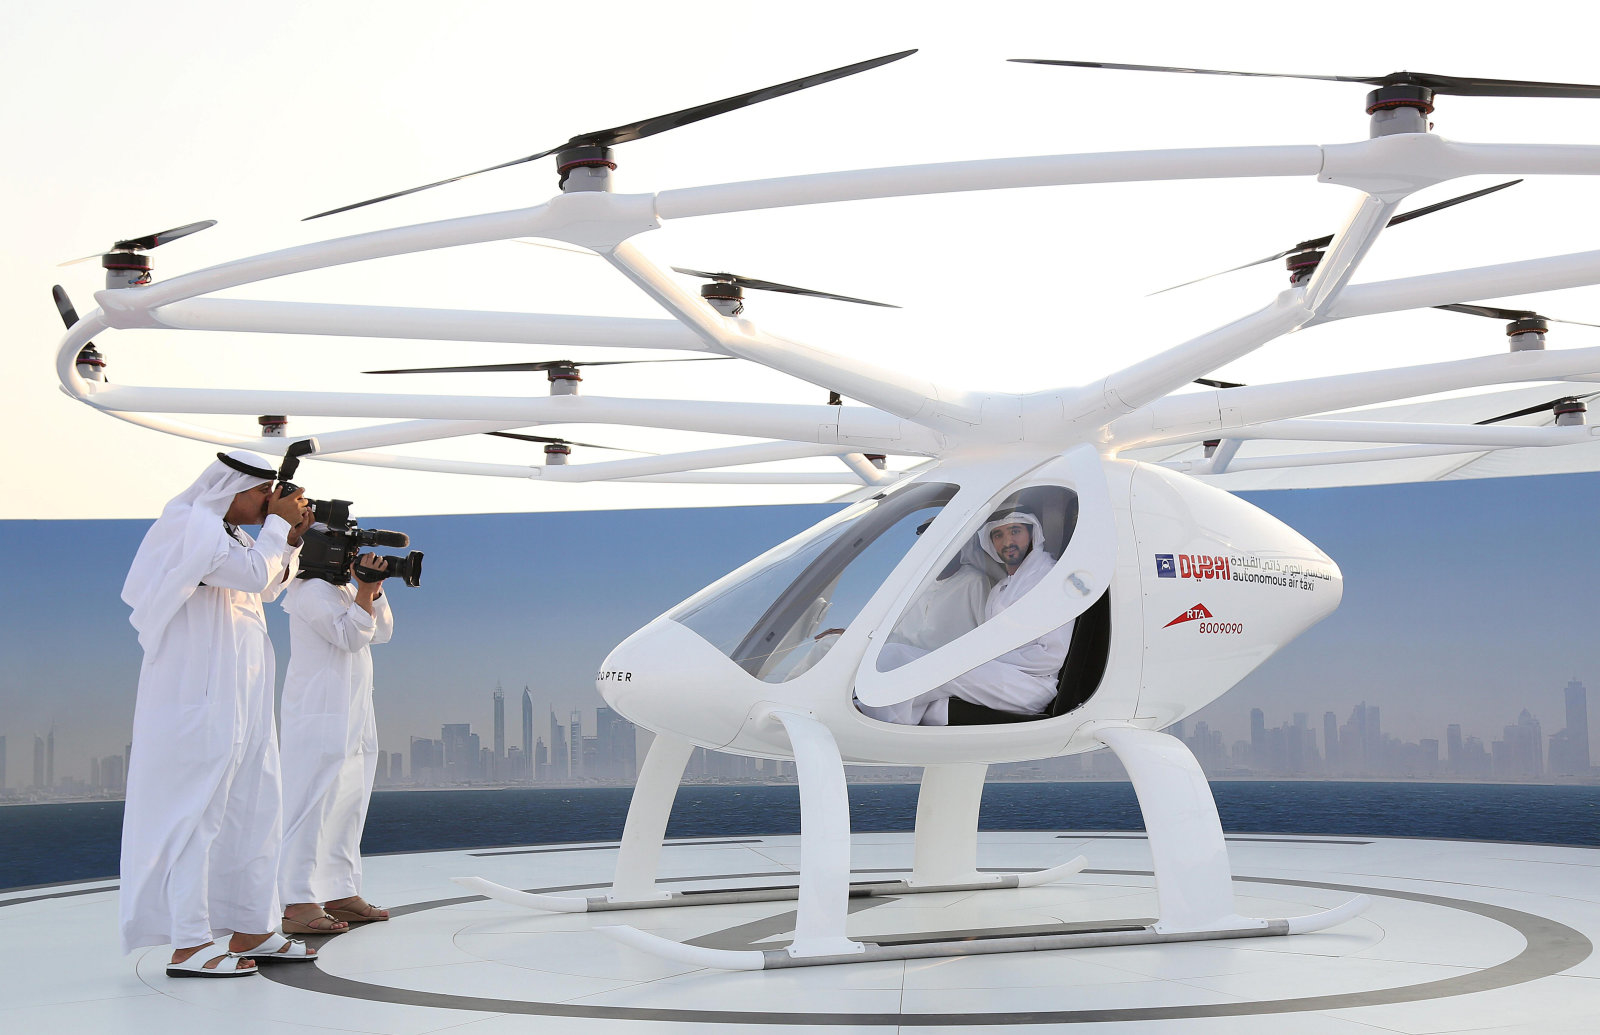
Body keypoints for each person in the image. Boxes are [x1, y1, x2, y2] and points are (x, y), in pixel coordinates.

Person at [119, 450, 318, 976]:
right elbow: (254, 576)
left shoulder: (227, 534)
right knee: (198, 810)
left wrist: (290, 538)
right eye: (261, 494)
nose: (268, 502)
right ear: (229, 488)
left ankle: (250, 927)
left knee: (256, 806)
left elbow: (269, 583)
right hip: (199, 693)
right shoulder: (189, 526)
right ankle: (188, 942)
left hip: (241, 691)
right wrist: (277, 525)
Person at [860, 510, 1072, 726]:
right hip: (999, 676)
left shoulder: (1051, 580)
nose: (1007, 541)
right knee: (904, 670)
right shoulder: (1001, 590)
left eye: (1015, 531)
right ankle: (880, 723)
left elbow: (1051, 657)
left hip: (1028, 687)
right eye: (998, 535)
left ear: (1032, 534)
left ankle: (871, 724)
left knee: (903, 660)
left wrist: (977, 660)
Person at [277, 551, 394, 934]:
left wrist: (370, 591)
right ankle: (297, 901)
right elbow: (350, 635)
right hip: (319, 715)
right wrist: (364, 593)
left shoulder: (344, 588)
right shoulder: (310, 590)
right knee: (310, 805)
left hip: (354, 713)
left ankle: (340, 892)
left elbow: (381, 632)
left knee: (348, 802)